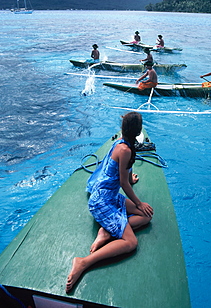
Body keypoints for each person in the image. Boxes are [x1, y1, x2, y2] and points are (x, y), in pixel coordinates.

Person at [66, 112, 153, 293]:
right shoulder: (127, 150)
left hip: (109, 195)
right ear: (137, 133)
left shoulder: (121, 142)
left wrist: (131, 179)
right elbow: (123, 183)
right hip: (102, 203)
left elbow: (126, 172)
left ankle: (106, 231)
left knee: (146, 216)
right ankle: (83, 262)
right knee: (131, 243)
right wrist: (138, 202)